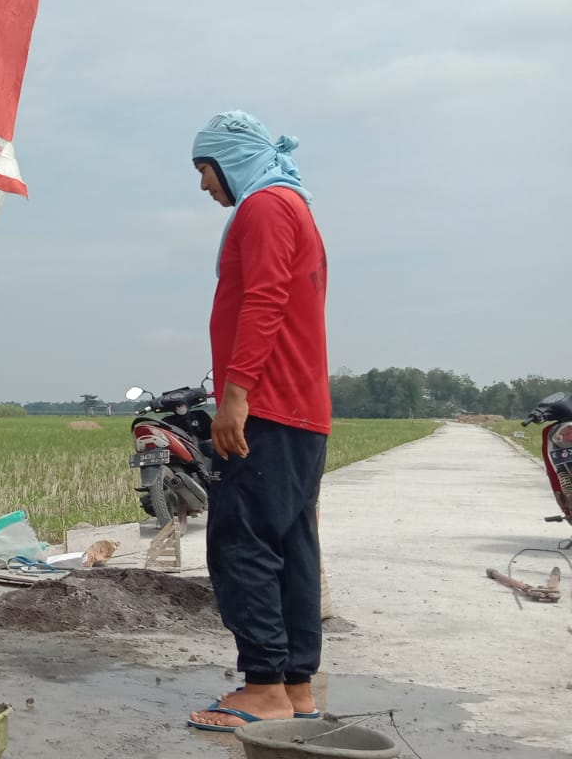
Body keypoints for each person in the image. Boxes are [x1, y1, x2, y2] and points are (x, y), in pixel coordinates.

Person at [184, 111, 330, 733]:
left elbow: (265, 297)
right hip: (302, 409)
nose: (203, 187)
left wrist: (235, 392)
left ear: (231, 161)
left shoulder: (264, 207)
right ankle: (296, 685)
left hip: (267, 406)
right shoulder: (293, 204)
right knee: (291, 546)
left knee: (241, 543)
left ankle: (263, 685)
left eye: (205, 170)